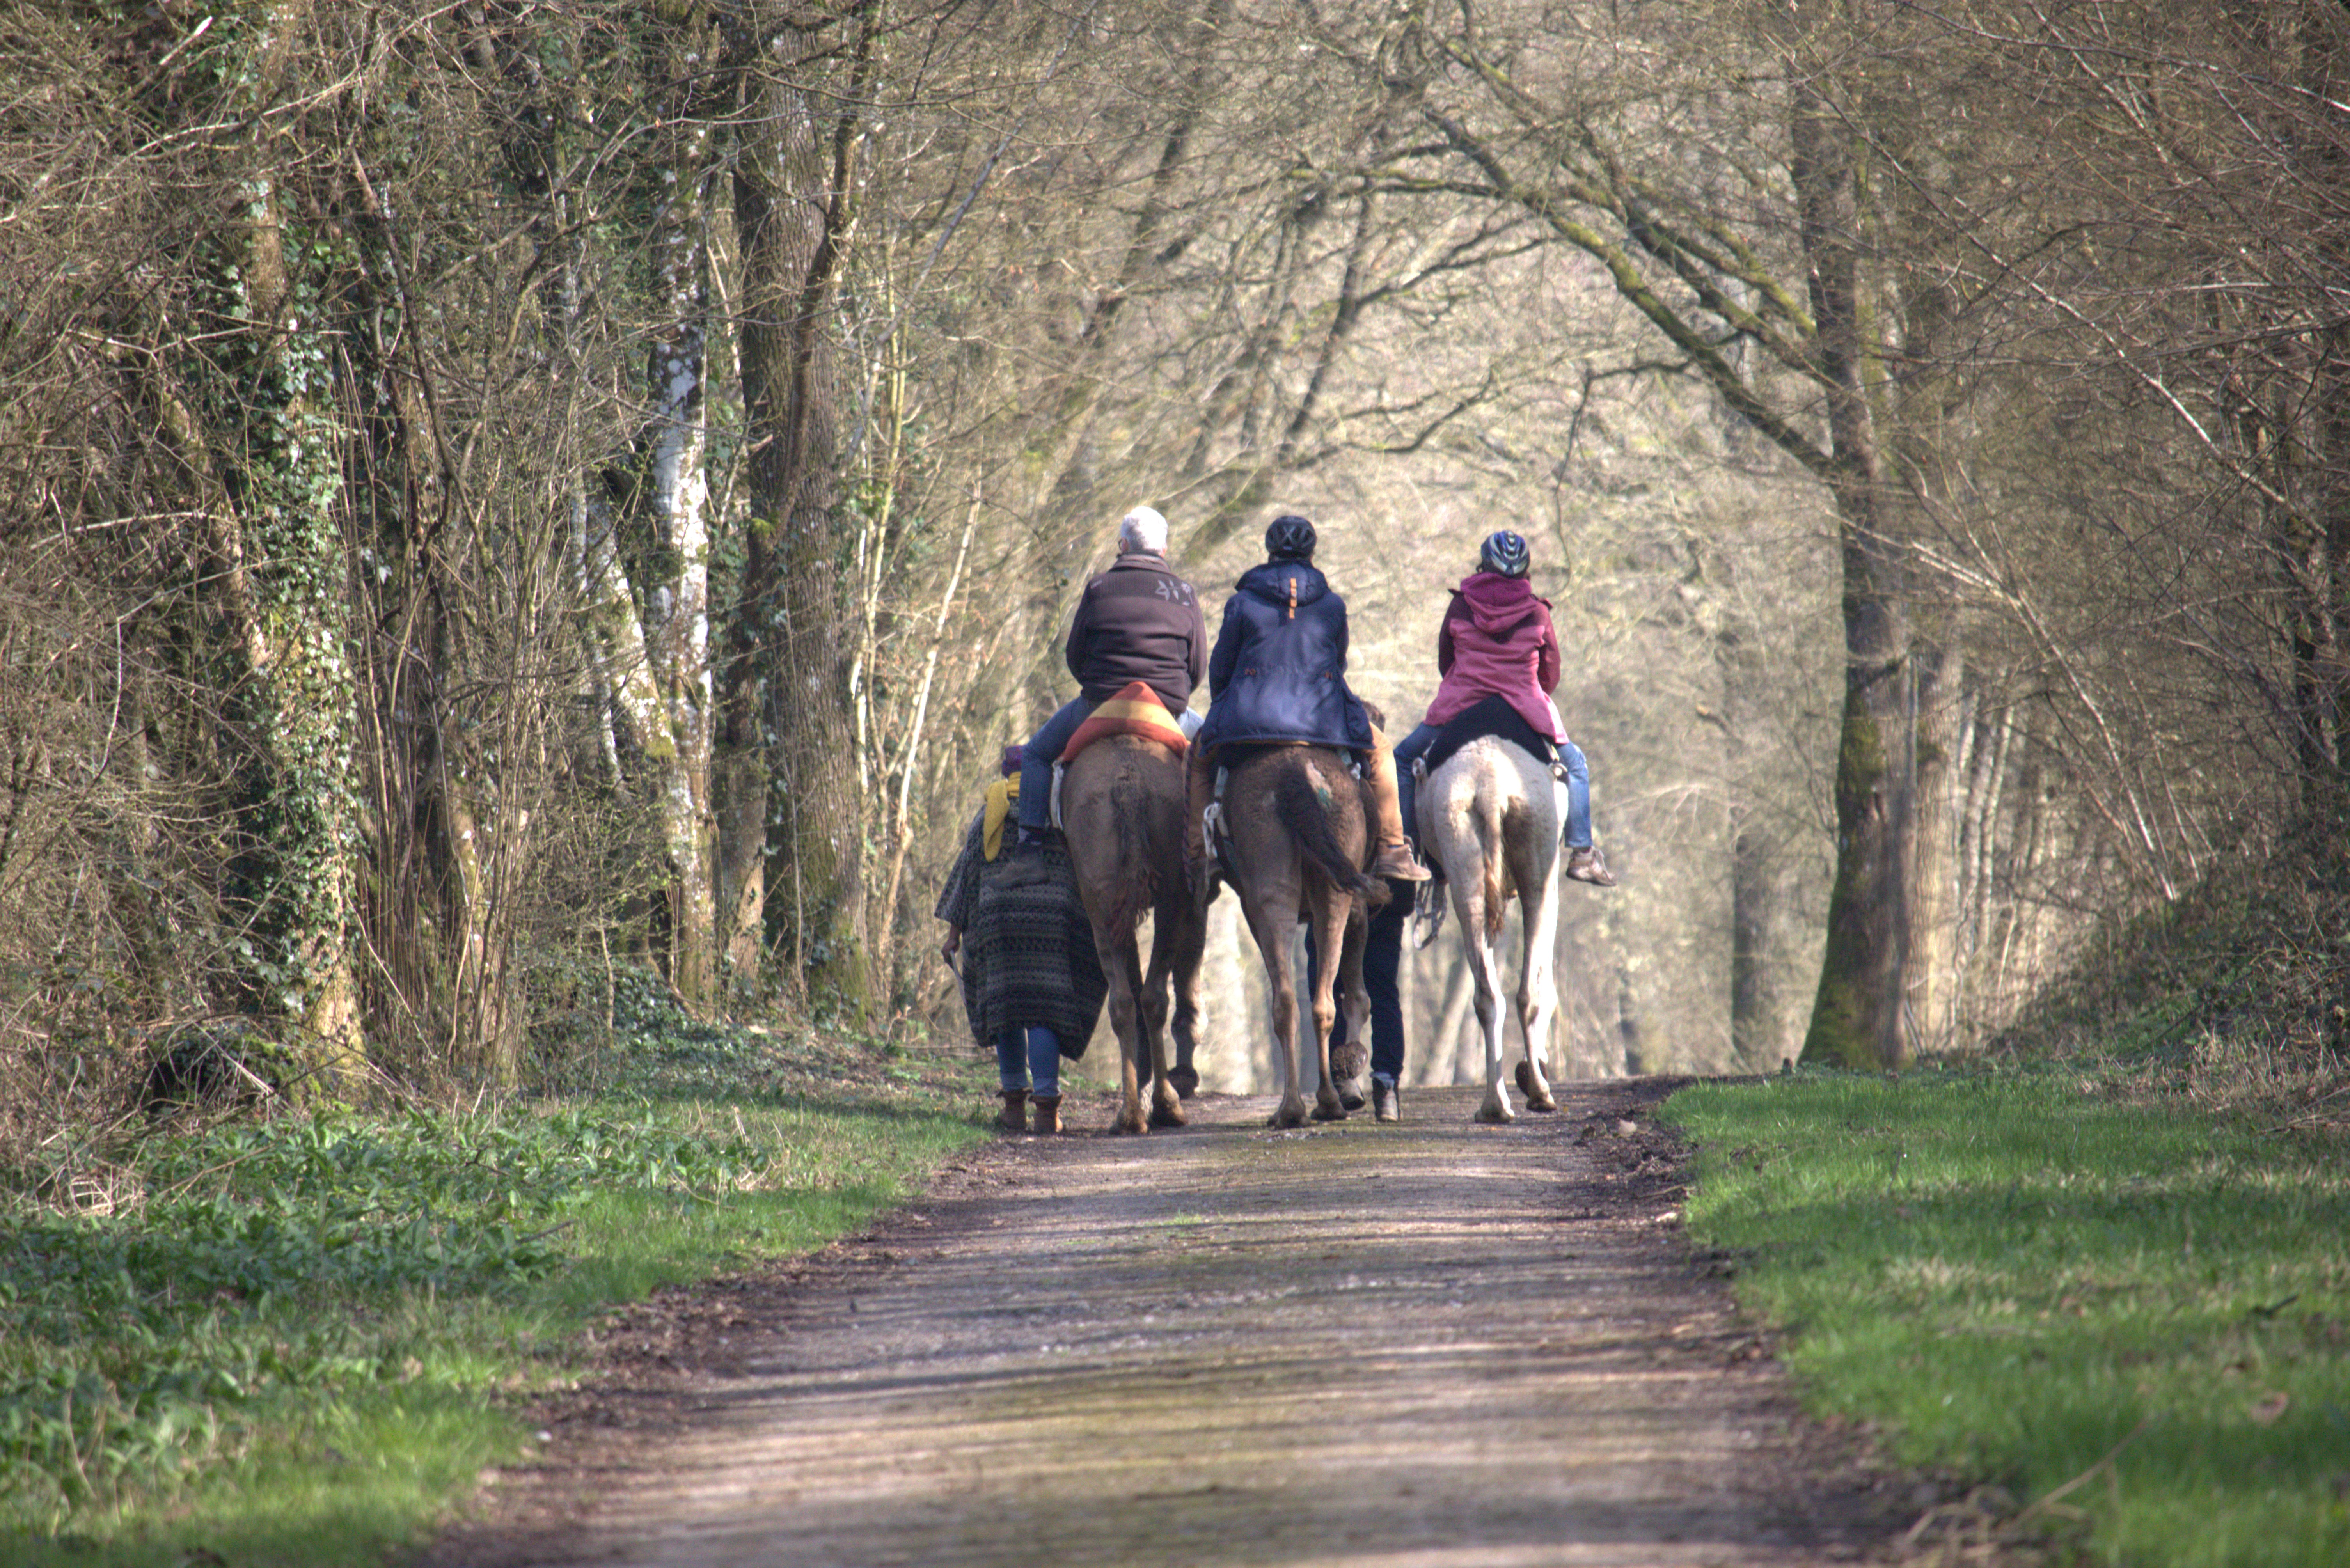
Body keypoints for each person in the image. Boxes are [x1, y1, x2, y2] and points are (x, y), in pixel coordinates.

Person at [1184, 513, 1429, 889]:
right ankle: (1392, 849)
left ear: (1268, 552)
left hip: (1250, 719)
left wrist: (1227, 711)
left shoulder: (1243, 602)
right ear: (1312, 553)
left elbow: (1221, 669)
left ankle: (1202, 858)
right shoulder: (1332, 606)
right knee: (1382, 752)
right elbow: (1340, 662)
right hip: (1322, 720)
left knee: (1199, 760)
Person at [1393, 528, 1616, 887]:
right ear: (1525, 570)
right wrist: (1531, 694)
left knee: (1403, 759)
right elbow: (1551, 672)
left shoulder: (1461, 604)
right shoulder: (1538, 612)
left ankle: (1403, 848)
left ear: (1483, 565)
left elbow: (1445, 660)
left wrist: (1466, 683)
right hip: (1524, 705)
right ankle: (1583, 853)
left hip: (1461, 702)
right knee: (1575, 764)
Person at [1010, 505, 1207, 858]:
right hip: (1166, 712)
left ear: (1123, 545)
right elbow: (1197, 667)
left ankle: (1030, 850)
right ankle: (1212, 854)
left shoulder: (1099, 587)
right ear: (1163, 550)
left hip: (1098, 707)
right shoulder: (1185, 594)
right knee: (1219, 751)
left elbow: (1075, 656)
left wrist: (1100, 687)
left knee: (1037, 755)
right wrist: (1170, 697)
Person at [936, 745, 1108, 1134]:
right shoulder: (1059, 813)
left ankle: (1014, 1107)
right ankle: (1047, 1112)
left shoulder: (988, 813)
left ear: (1005, 774)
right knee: (1044, 1012)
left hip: (997, 923)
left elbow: (966, 876)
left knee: (1007, 1010)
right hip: (1051, 926)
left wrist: (953, 935)